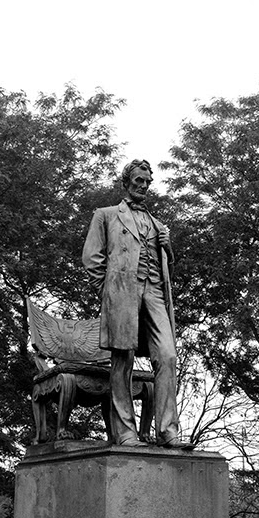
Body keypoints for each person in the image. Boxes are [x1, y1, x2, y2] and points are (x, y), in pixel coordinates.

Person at [82, 159, 194, 449]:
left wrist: (168, 247)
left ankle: (168, 431)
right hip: (122, 293)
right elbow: (92, 258)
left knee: (167, 357)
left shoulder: (158, 224)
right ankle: (126, 433)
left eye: (147, 181)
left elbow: (167, 265)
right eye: (138, 180)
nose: (143, 185)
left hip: (154, 292)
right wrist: (108, 292)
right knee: (123, 360)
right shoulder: (105, 215)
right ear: (126, 182)